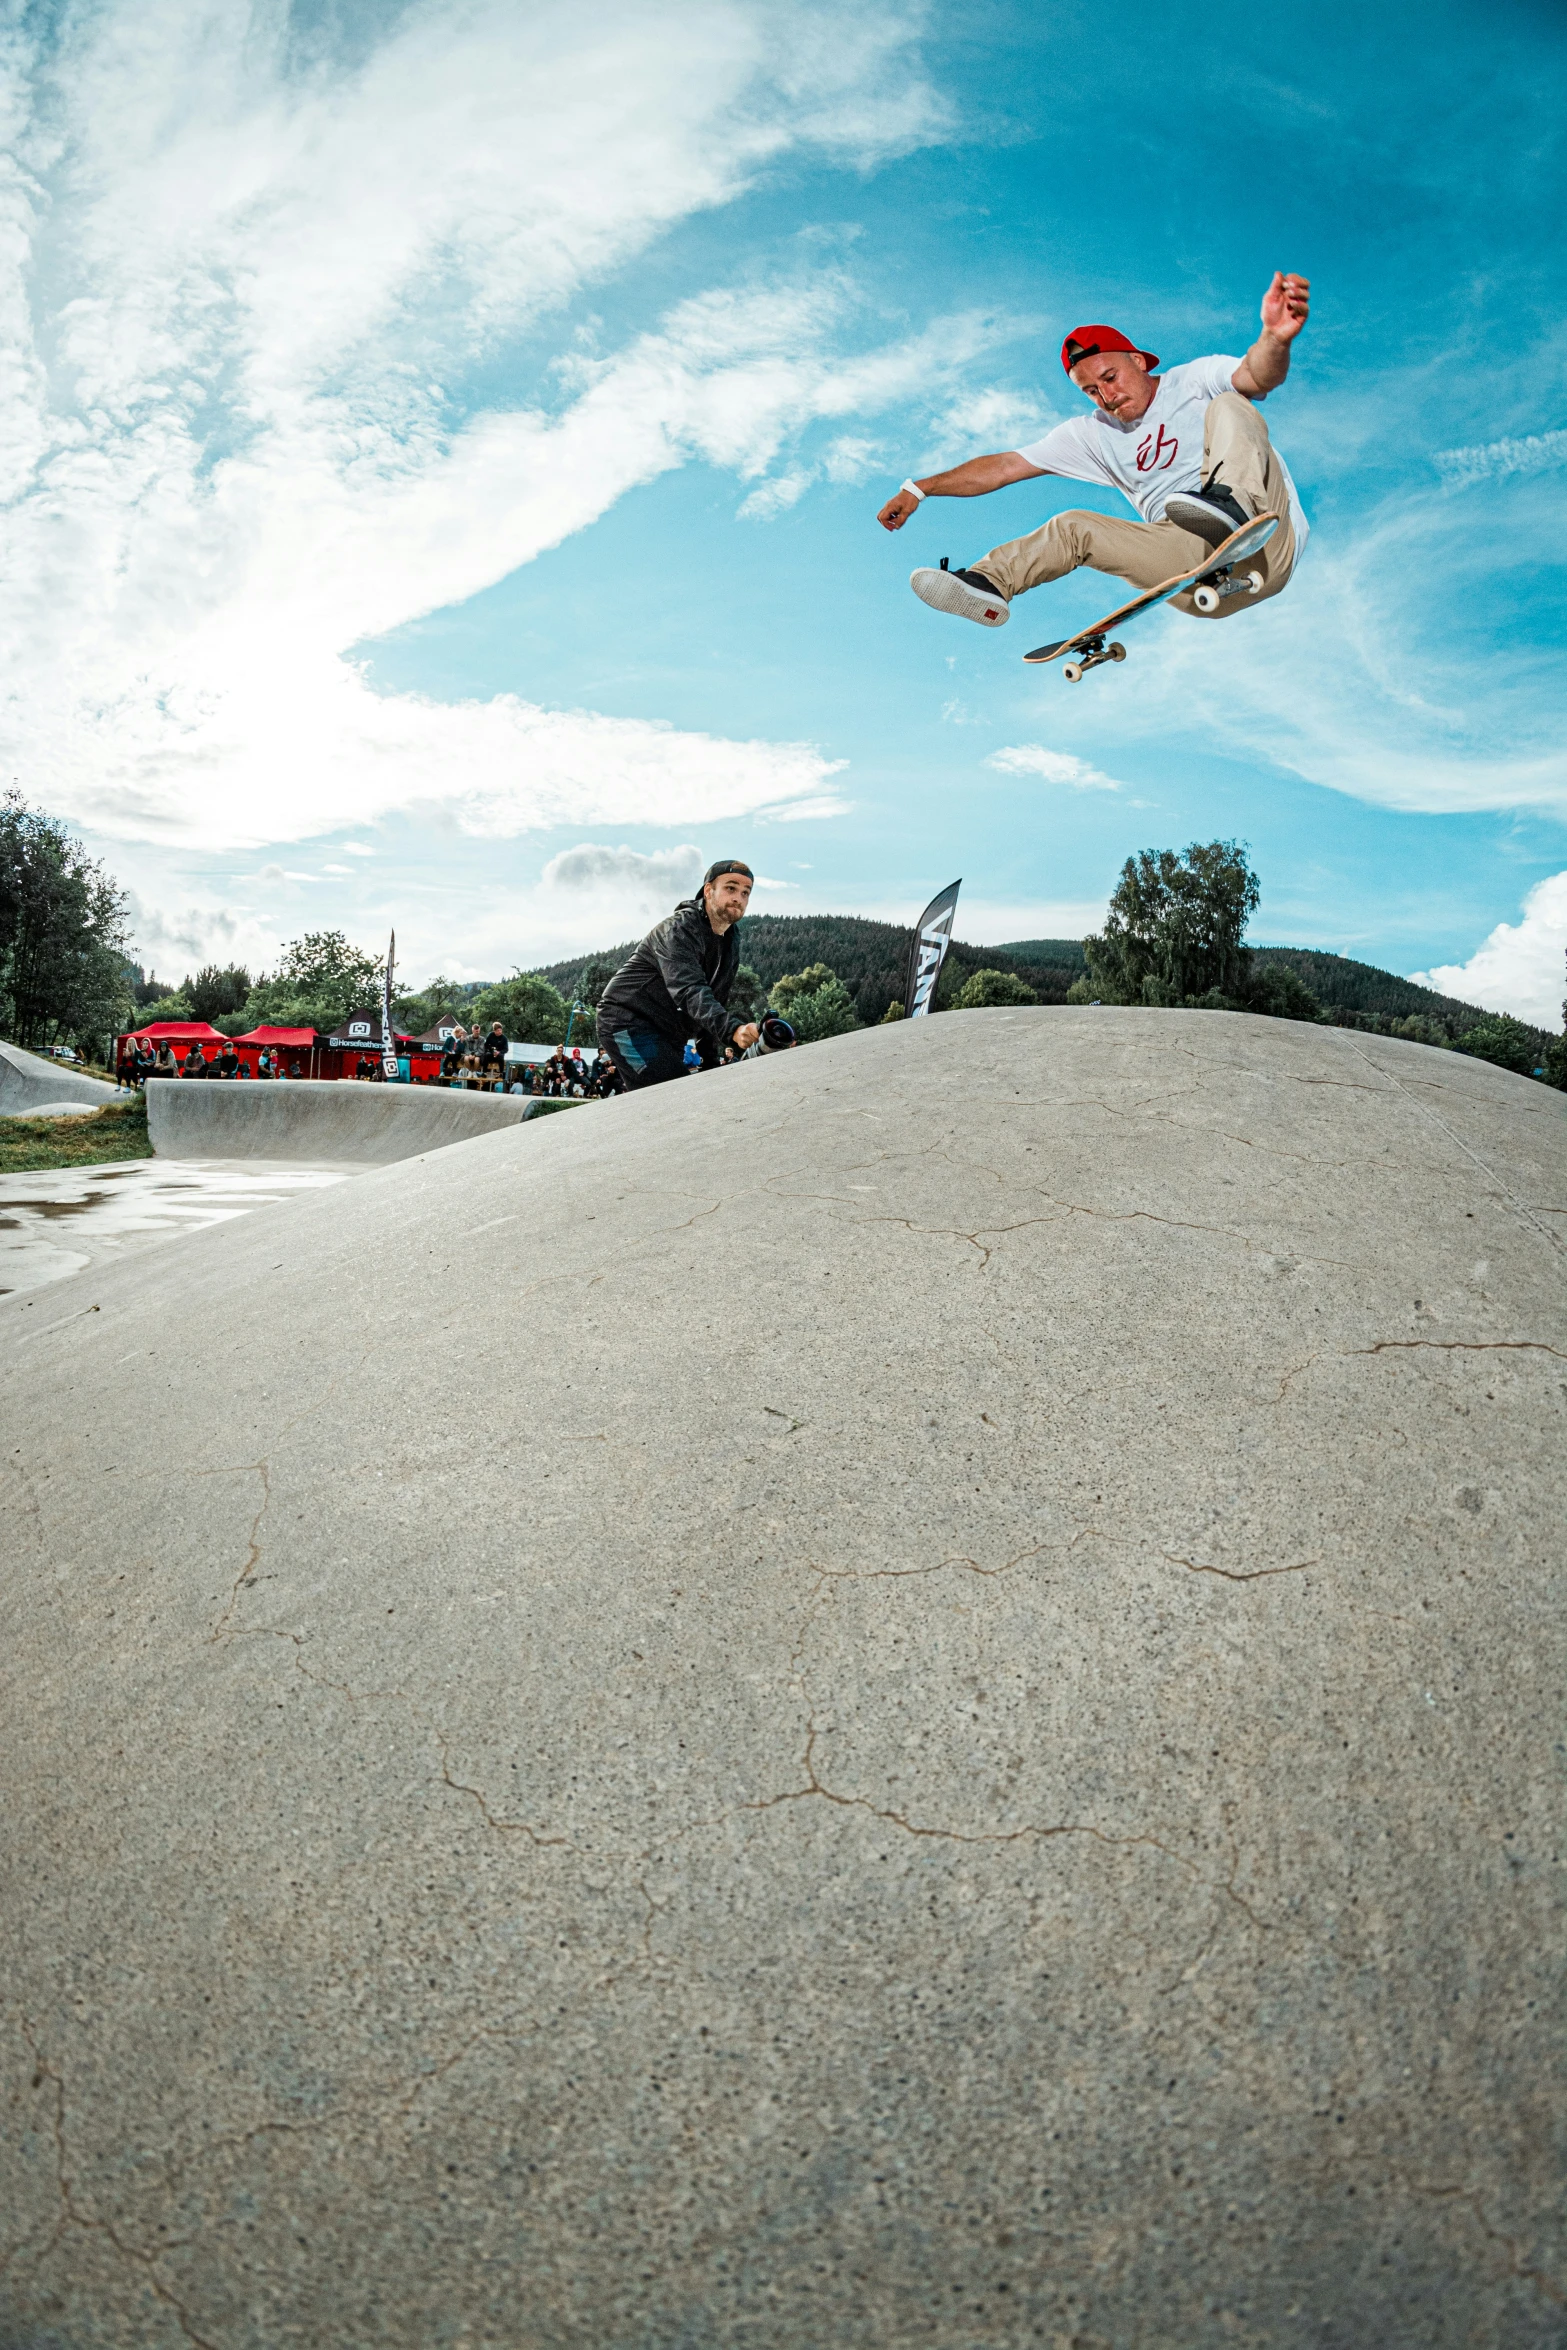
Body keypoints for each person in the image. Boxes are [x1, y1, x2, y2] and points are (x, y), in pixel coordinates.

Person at [877, 271, 1310, 629]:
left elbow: (1256, 377)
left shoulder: (1194, 380)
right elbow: (1007, 466)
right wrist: (919, 488)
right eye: (1090, 391)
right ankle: (988, 583)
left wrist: (1275, 338)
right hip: (1193, 571)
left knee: (1231, 403)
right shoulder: (1091, 433)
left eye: (1110, 377)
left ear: (1138, 361)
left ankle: (1231, 505)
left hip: (1266, 541)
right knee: (1072, 525)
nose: (1106, 396)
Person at [595, 860, 761, 1089]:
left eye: (746, 893)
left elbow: (715, 1000)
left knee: (669, 1097)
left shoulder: (731, 939)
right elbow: (689, 990)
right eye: (730, 888)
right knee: (670, 1093)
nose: (738, 898)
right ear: (708, 891)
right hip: (626, 1021)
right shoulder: (678, 929)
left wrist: (710, 1062)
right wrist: (733, 1029)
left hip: (669, 1032)